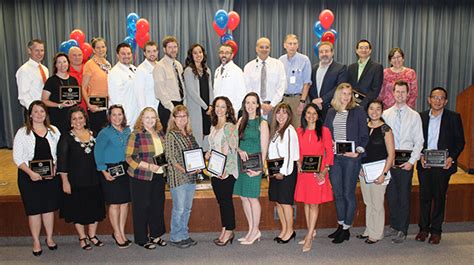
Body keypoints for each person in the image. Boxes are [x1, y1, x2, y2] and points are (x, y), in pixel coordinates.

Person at [416, 87, 465, 244]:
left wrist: (452, 157)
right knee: (424, 197)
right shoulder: (421, 117)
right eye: (434, 97)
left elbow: (460, 142)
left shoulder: (454, 117)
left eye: (441, 98)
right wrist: (420, 155)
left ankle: (436, 230)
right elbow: (415, 140)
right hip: (425, 162)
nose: (437, 100)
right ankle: (423, 229)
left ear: (445, 101)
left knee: (439, 196)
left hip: (443, 164)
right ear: (429, 99)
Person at [12, 100, 62, 256]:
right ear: (30, 114)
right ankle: (36, 241)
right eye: (36, 111)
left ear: (46, 114)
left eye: (42, 111)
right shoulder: (22, 132)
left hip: (50, 178)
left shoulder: (54, 131)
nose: (39, 114)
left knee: (48, 209)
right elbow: (17, 158)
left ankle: (49, 238)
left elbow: (59, 154)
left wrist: (55, 167)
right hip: (29, 178)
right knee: (34, 210)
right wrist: (31, 173)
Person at [324, 83, 369, 244]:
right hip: (335, 158)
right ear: (338, 95)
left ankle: (346, 228)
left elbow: (364, 136)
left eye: (349, 94)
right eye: (343, 93)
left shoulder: (358, 111)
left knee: (348, 193)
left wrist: (357, 151)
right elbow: (326, 133)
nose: (346, 96)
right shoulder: (330, 112)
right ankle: (341, 224)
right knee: (338, 193)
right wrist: (328, 144)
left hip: (351, 159)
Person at [57, 107, 106, 250]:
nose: (78, 121)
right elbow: (62, 162)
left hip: (94, 179)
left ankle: (92, 235)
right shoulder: (66, 137)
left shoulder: (94, 134)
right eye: (74, 119)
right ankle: (82, 237)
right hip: (76, 181)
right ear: (70, 122)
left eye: (80, 118)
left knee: (95, 208)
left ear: (85, 119)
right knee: (78, 210)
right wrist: (65, 182)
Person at [382, 80, 424, 243]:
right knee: (391, 196)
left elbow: (419, 141)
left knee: (404, 196)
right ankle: (394, 225)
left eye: (403, 92)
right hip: (390, 163)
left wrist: (412, 162)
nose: (400, 95)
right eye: (397, 92)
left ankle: (403, 229)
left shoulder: (415, 116)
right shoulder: (385, 114)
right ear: (393, 93)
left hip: (406, 163)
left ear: (408, 94)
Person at [294, 103, 334, 252]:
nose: (311, 116)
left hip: (318, 173)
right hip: (304, 173)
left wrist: (325, 170)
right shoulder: (299, 131)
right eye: (308, 113)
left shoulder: (324, 131)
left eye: (314, 113)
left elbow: (329, 153)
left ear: (318, 116)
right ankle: (311, 231)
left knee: (314, 204)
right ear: (304, 115)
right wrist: (298, 162)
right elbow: (296, 151)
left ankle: (309, 236)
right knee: (306, 202)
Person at [125, 107, 167, 249]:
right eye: (147, 118)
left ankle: (155, 235)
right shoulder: (136, 135)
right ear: (141, 119)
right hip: (141, 177)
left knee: (157, 207)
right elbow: (130, 158)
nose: (150, 120)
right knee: (142, 208)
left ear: (157, 120)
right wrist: (148, 167)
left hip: (159, 175)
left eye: (153, 118)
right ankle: (142, 238)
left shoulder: (160, 133)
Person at [94, 105, 132, 249]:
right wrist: (104, 171)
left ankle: (121, 232)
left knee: (124, 203)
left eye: (119, 114)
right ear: (109, 117)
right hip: (110, 169)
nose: (117, 117)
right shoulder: (104, 133)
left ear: (123, 116)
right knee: (114, 203)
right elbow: (98, 153)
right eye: (114, 115)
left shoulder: (128, 131)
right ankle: (116, 233)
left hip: (125, 169)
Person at [358, 100, 395, 244]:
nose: (374, 111)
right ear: (367, 110)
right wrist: (360, 167)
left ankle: (376, 233)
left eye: (378, 109)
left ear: (382, 111)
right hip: (364, 172)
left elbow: (391, 155)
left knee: (377, 203)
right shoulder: (364, 127)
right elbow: (360, 149)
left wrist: (384, 174)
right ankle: (369, 230)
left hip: (380, 173)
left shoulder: (386, 129)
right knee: (368, 202)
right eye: (371, 108)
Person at [234, 92, 269, 244]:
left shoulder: (262, 123)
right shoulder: (241, 120)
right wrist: (239, 150)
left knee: (252, 197)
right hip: (241, 164)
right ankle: (251, 230)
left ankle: (255, 231)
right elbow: (233, 141)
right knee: (243, 196)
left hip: (254, 165)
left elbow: (264, 149)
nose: (250, 105)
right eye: (247, 102)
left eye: (253, 102)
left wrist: (260, 170)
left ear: (258, 105)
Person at [165, 105, 200, 248]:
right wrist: (186, 170)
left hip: (191, 178)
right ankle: (175, 237)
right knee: (179, 209)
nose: (182, 119)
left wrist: (199, 165)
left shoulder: (189, 134)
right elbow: (170, 158)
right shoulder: (171, 135)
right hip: (178, 177)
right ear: (174, 118)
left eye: (184, 116)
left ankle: (184, 235)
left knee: (187, 209)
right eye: (179, 116)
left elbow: (196, 152)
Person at [207, 96, 238, 246]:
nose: (219, 109)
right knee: (222, 202)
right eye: (217, 106)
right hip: (214, 170)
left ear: (227, 110)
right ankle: (225, 229)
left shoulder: (230, 126)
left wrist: (225, 170)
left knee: (226, 202)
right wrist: (208, 153)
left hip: (226, 172)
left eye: (223, 107)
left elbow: (233, 149)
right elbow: (214, 148)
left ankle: (230, 231)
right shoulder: (213, 127)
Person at [267, 103, 299, 245]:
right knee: (278, 202)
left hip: (286, 172)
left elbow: (291, 154)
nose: (281, 115)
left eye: (284, 113)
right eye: (278, 112)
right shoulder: (275, 131)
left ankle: (290, 231)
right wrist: (270, 172)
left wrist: (282, 173)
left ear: (289, 115)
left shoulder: (290, 131)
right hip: (275, 172)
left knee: (286, 203)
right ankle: (284, 229)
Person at [244, 37, 286, 120]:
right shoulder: (248, 67)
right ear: (256, 49)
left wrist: (271, 105)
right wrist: (260, 104)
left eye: (267, 47)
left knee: (274, 132)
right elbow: (247, 88)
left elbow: (281, 87)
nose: (264, 50)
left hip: (275, 108)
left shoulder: (278, 65)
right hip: (255, 108)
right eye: (261, 47)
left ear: (270, 49)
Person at [183, 43, 213, 149]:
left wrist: (211, 105)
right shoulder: (188, 71)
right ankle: (197, 160)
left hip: (207, 109)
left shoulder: (207, 70)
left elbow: (210, 89)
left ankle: (205, 157)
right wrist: (205, 106)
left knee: (207, 132)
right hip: (196, 108)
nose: (198, 55)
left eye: (200, 52)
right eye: (195, 53)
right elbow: (191, 92)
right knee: (196, 134)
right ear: (191, 55)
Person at [279, 34, 312, 128]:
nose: (292, 46)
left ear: (298, 45)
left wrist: (302, 102)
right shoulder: (280, 60)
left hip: (298, 99)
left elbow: (307, 83)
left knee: (298, 128)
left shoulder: (304, 60)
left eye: (295, 44)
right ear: (285, 45)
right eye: (290, 43)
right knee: (283, 128)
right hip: (284, 99)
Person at [153, 36, 185, 131]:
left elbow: (182, 86)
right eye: (170, 47)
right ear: (164, 49)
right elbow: (160, 91)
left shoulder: (178, 65)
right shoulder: (159, 66)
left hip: (179, 106)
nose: (173, 50)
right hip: (167, 107)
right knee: (168, 137)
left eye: (175, 47)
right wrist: (173, 109)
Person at [309, 42, 347, 119]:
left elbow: (339, 87)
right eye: (321, 52)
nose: (324, 54)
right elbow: (311, 86)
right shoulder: (314, 68)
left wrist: (322, 100)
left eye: (326, 51)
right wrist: (315, 101)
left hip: (332, 108)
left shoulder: (341, 68)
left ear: (332, 52)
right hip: (316, 109)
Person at [41, 53, 78, 134]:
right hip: (57, 117)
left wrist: (74, 102)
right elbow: (44, 100)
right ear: (56, 65)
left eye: (64, 62)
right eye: (59, 62)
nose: (62, 65)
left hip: (71, 117)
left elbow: (76, 97)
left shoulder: (73, 80)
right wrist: (60, 105)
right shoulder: (51, 81)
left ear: (68, 63)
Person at [82, 37, 111, 135]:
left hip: (107, 106)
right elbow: (83, 87)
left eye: (103, 47)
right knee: (97, 135)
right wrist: (89, 104)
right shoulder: (89, 65)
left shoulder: (108, 64)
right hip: (95, 106)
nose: (101, 50)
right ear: (93, 50)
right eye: (98, 48)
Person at [108, 43, 139, 127]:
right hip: (125, 115)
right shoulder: (114, 72)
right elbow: (115, 98)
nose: (126, 56)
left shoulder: (135, 69)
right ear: (117, 55)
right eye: (123, 54)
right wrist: (121, 117)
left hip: (135, 113)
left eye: (128, 53)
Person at [347, 39, 384, 109]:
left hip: (367, 106)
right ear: (356, 50)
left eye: (366, 48)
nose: (363, 50)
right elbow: (348, 86)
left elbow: (375, 89)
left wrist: (362, 104)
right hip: (351, 104)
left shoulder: (377, 67)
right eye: (361, 48)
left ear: (370, 50)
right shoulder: (351, 67)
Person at [16, 39, 49, 114]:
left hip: (45, 109)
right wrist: (35, 110)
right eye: (37, 50)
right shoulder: (24, 70)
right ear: (29, 51)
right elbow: (23, 95)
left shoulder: (45, 69)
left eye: (42, 50)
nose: (40, 53)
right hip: (33, 111)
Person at [213, 44, 246, 115]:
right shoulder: (217, 70)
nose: (224, 55)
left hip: (230, 112)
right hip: (218, 111)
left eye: (227, 53)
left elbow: (242, 93)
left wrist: (233, 110)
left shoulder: (237, 71)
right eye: (221, 52)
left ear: (232, 55)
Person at [135, 41, 160, 111]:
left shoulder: (160, 66)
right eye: (149, 51)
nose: (152, 54)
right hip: (148, 108)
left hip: (160, 107)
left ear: (157, 52)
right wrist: (144, 111)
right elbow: (139, 93)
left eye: (154, 51)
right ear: (144, 53)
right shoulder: (141, 69)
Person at [68, 47, 88, 111]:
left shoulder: (89, 68)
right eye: (74, 55)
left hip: (90, 108)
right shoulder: (64, 71)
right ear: (68, 57)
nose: (77, 57)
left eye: (79, 55)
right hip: (72, 109)